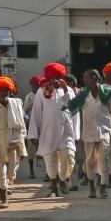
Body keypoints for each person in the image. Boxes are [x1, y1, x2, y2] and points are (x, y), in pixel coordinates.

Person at [65, 69, 111, 199]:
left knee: (104, 160)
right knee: (90, 161)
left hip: (104, 132)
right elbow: (70, 106)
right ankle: (92, 188)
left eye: (86, 77)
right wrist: (65, 92)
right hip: (88, 133)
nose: (84, 80)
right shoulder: (83, 95)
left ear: (94, 78)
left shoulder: (107, 94)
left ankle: (103, 188)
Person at [28, 62, 76, 197]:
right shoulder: (42, 91)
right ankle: (54, 188)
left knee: (69, 156)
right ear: (48, 78)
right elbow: (36, 112)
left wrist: (66, 90)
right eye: (52, 78)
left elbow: (72, 107)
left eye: (57, 77)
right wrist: (33, 134)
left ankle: (64, 178)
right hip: (48, 131)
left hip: (65, 131)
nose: (54, 80)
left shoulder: (68, 90)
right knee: (50, 161)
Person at [0, 77, 27, 208]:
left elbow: (21, 127)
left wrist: (22, 148)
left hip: (13, 143)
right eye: (1, 90)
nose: (3, 93)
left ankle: (6, 185)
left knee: (11, 172)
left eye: (6, 90)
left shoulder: (16, 104)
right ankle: (4, 198)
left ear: (10, 91)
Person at [63, 74, 85, 191]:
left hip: (81, 128)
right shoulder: (61, 93)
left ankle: (77, 177)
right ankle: (72, 181)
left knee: (80, 157)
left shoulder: (81, 94)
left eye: (66, 83)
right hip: (67, 130)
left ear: (72, 83)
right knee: (70, 156)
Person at [23, 75, 44, 179]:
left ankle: (48, 173)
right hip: (33, 126)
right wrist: (27, 121)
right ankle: (31, 171)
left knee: (46, 149)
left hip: (45, 126)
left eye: (36, 86)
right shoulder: (29, 97)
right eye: (32, 86)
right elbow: (24, 112)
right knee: (31, 149)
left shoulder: (46, 94)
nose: (33, 88)